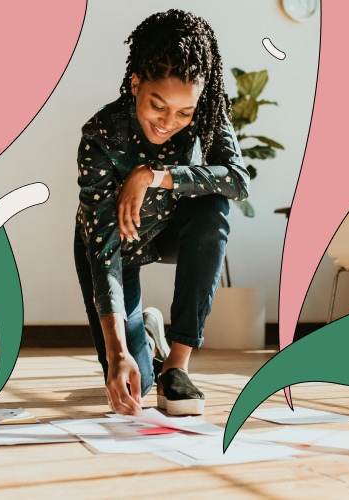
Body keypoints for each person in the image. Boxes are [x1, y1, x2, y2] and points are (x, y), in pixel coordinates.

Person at [74, 9, 250, 417]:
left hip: (173, 230)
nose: (170, 123)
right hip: (114, 247)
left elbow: (237, 180)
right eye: (157, 106)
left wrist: (153, 175)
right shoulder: (99, 135)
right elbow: (102, 251)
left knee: (213, 205)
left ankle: (177, 364)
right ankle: (149, 340)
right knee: (135, 379)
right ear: (135, 83)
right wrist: (118, 351)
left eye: (184, 112)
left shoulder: (204, 113)